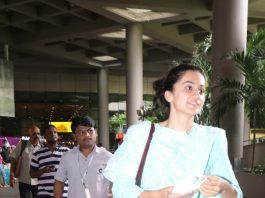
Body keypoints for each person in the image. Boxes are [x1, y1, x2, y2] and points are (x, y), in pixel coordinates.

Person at [103, 64, 242, 198]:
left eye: (201, 90)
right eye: (189, 88)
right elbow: (120, 187)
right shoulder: (142, 134)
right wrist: (157, 196)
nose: (197, 95)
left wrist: (223, 187)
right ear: (169, 95)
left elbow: (235, 194)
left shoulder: (212, 137)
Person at [54, 115, 113, 198]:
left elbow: (119, 183)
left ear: (96, 133)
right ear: (75, 136)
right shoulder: (67, 157)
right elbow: (59, 182)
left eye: (90, 131)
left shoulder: (108, 157)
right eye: (81, 132)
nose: (87, 135)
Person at [30, 125, 70, 198]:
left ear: (58, 135)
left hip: (63, 193)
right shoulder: (37, 153)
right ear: (44, 136)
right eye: (50, 133)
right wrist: (43, 170)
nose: (53, 134)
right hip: (43, 193)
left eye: (55, 132)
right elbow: (32, 174)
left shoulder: (66, 151)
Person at [10, 125, 42, 198]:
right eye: (34, 134)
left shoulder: (43, 147)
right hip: (24, 181)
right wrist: (11, 176)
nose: (37, 135)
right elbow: (14, 160)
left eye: (38, 133)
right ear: (29, 135)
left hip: (38, 182)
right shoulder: (22, 145)